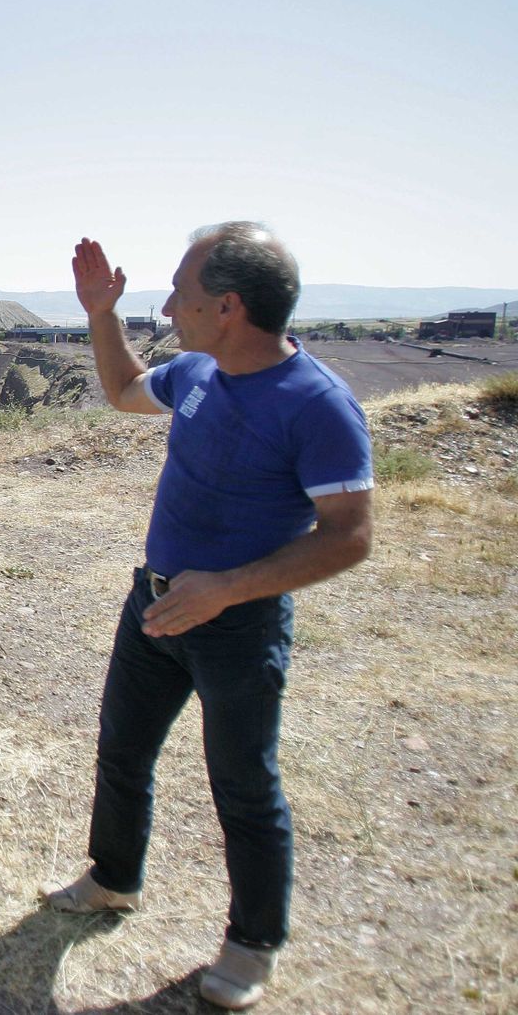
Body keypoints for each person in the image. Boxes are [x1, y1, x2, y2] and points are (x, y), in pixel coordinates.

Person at [42, 224, 374, 1010]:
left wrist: (227, 588)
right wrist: (100, 314)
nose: (167, 306)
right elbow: (125, 393)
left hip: (237, 626)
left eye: (181, 296)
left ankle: (253, 943)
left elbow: (350, 538)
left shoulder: (317, 404)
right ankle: (114, 877)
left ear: (227, 306)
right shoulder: (196, 372)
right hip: (153, 602)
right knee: (122, 750)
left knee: (243, 784)